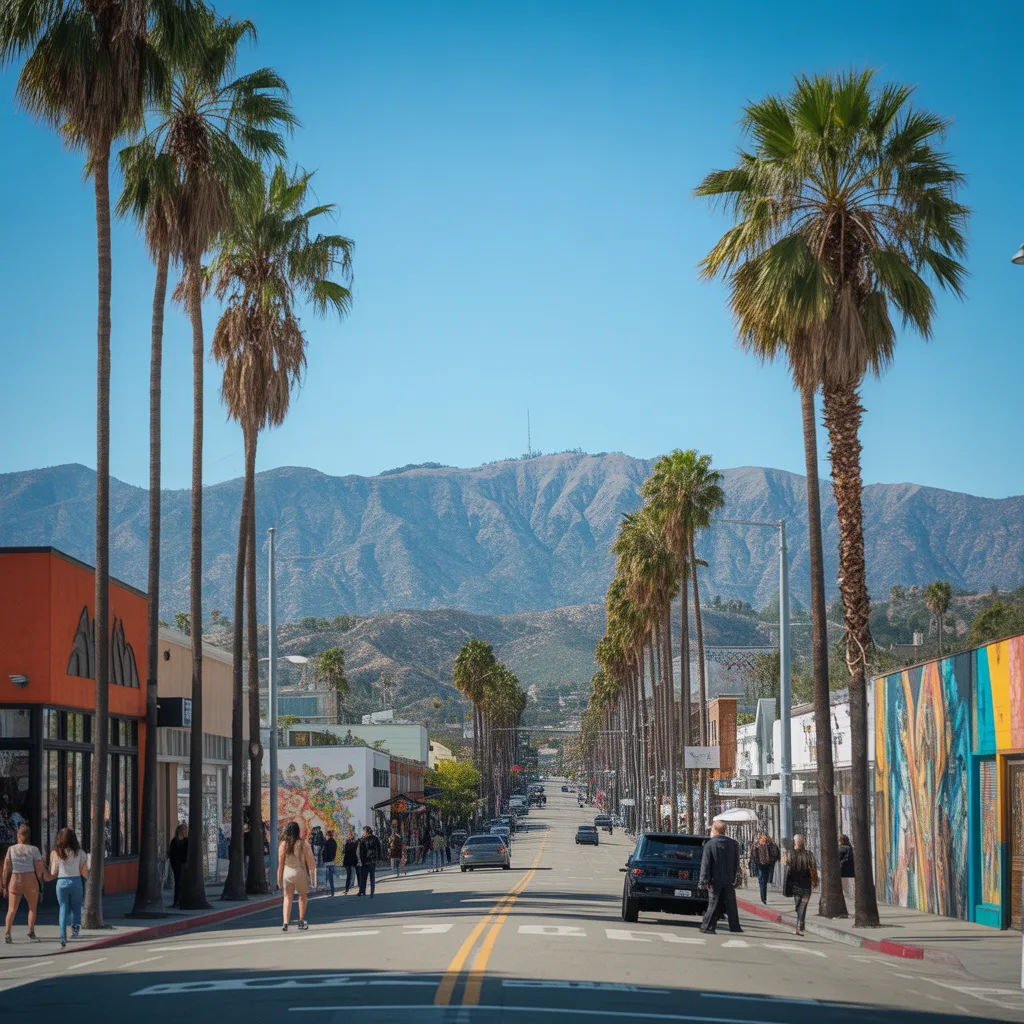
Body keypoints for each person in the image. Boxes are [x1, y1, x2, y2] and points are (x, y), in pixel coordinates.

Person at [44, 827, 88, 947]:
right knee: (76, 906)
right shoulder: (80, 852)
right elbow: (83, 871)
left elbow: (53, 873)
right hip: (76, 882)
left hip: (61, 882)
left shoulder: (55, 853)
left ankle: (63, 935)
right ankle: (74, 930)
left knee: (63, 908)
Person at [698, 820, 743, 935]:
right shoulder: (733, 844)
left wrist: (703, 881)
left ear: (714, 830)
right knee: (731, 903)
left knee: (713, 903)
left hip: (714, 880)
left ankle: (708, 926)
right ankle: (735, 926)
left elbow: (706, 864)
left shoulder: (710, 844)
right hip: (728, 879)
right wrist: (734, 876)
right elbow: (736, 863)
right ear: (724, 831)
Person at [3, 824, 44, 944]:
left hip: (16, 879)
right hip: (30, 879)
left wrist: (3, 885)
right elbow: (39, 868)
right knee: (32, 908)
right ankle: (31, 931)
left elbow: (6, 868)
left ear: (19, 835)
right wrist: (40, 880)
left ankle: (8, 933)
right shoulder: (34, 849)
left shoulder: (11, 849)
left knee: (11, 909)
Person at [278, 822, 316, 931]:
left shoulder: (283, 844)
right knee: (302, 896)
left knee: (287, 897)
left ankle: (285, 922)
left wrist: (278, 881)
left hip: (287, 873)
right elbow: (311, 863)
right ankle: (301, 920)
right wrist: (314, 880)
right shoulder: (303, 843)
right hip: (300, 872)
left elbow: (280, 864)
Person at [785, 834, 818, 936]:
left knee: (799, 905)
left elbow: (786, 864)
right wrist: (815, 882)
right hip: (805, 884)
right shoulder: (809, 854)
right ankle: (801, 924)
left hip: (796, 884)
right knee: (801, 905)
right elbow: (813, 869)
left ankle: (800, 925)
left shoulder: (790, 854)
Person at [749, 832, 780, 905]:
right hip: (765, 864)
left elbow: (753, 855)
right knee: (763, 881)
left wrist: (756, 862)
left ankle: (763, 898)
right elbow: (776, 854)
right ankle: (763, 897)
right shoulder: (771, 845)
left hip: (760, 865)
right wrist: (772, 861)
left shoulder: (758, 845)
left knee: (762, 881)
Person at [167, 823, 188, 908]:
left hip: (177, 865)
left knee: (178, 883)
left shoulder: (174, 841)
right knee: (183, 883)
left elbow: (172, 855)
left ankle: (177, 901)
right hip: (183, 865)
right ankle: (181, 900)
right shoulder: (186, 841)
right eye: (186, 830)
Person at [357, 825, 381, 897]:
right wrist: (378, 858)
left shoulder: (363, 840)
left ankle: (363, 892)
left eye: (363, 831)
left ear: (366, 831)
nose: (363, 832)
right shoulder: (375, 838)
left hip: (365, 860)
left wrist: (360, 860)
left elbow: (361, 851)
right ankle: (372, 892)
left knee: (364, 877)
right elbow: (379, 849)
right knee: (372, 877)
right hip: (372, 860)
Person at [321, 829, 338, 897]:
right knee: (330, 877)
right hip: (331, 861)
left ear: (328, 835)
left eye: (326, 835)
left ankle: (329, 892)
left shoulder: (327, 842)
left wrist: (324, 860)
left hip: (327, 861)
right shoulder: (334, 842)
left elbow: (325, 852)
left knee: (327, 876)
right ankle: (332, 891)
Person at [342, 828, 359, 894]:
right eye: (348, 834)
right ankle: (347, 887)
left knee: (353, 873)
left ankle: (352, 886)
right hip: (348, 860)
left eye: (349, 835)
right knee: (349, 874)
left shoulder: (354, 842)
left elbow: (351, 850)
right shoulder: (347, 842)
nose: (348, 836)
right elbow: (344, 851)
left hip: (352, 859)